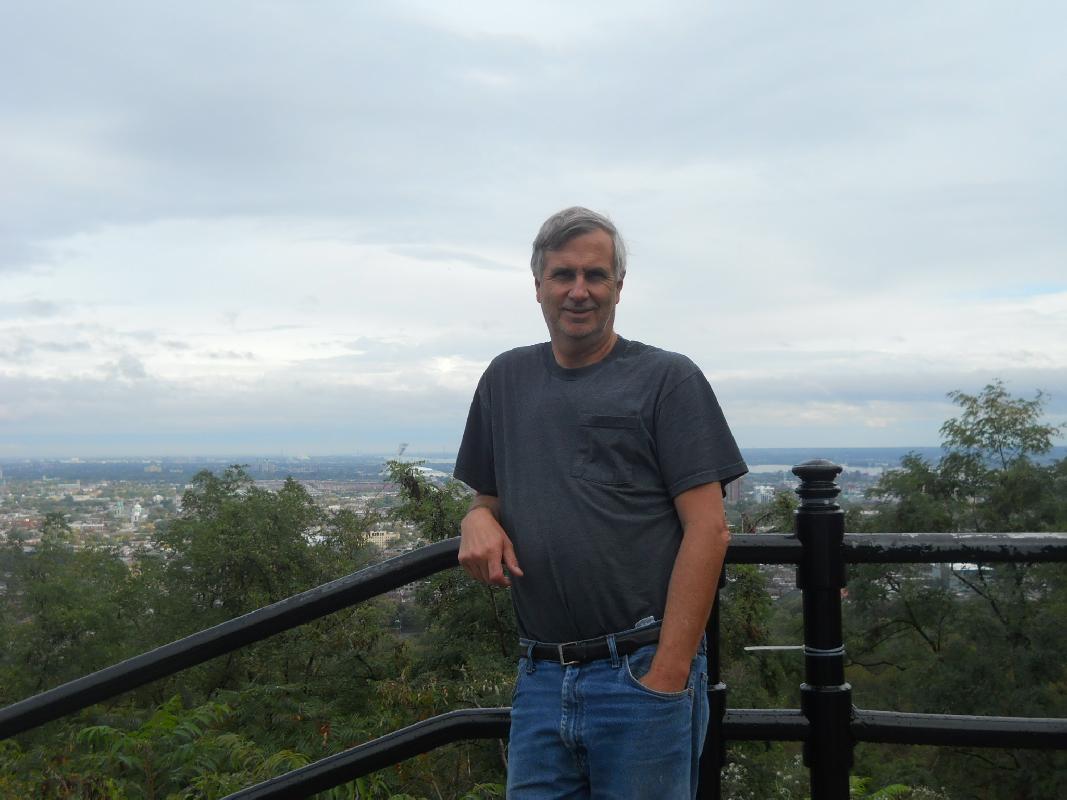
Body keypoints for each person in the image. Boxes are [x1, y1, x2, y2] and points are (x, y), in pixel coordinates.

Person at [454, 206, 747, 799]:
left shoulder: (668, 379)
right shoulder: (505, 380)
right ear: (538, 285)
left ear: (618, 287)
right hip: (539, 675)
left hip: (640, 670)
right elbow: (489, 496)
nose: (579, 291)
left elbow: (709, 531)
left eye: (596, 275)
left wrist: (666, 673)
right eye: (564, 275)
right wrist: (476, 516)